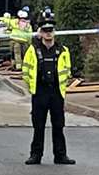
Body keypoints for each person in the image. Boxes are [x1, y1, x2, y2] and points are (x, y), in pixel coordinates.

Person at [21, 13, 73, 166]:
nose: (48, 33)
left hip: (56, 92)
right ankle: (35, 155)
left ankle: (60, 156)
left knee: (58, 125)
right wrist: (32, 87)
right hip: (40, 92)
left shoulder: (63, 50)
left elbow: (67, 71)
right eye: (45, 30)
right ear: (40, 32)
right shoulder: (33, 50)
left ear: (54, 32)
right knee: (38, 126)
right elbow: (26, 70)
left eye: (50, 30)